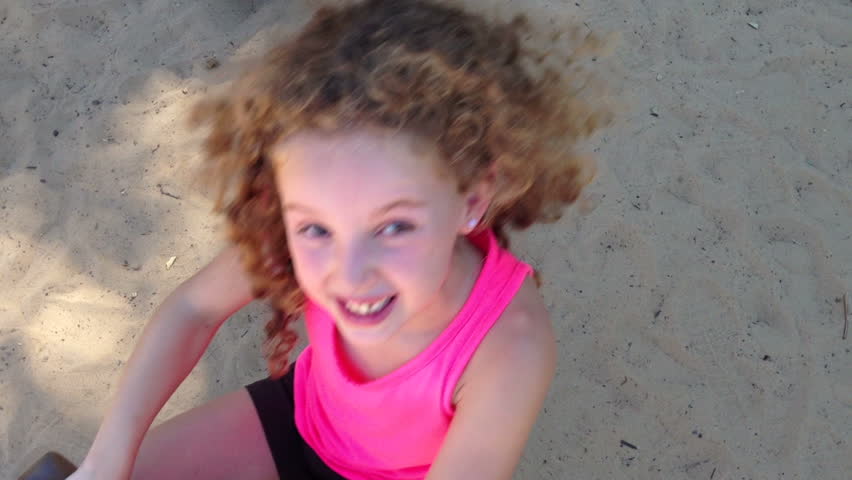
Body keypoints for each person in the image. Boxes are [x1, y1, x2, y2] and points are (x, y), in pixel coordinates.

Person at [68, 0, 612, 478]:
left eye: (394, 226)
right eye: (316, 228)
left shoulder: (510, 347)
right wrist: (105, 461)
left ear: (472, 199)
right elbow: (193, 309)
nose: (349, 274)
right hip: (301, 423)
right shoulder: (290, 233)